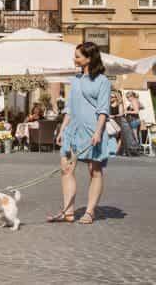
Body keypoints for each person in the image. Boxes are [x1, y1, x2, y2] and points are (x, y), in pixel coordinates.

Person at [49, 42, 117, 225]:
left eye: (78, 56)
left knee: (94, 171)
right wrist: (62, 130)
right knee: (66, 169)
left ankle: (89, 211)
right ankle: (68, 211)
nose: (74, 59)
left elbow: (103, 110)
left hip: (92, 130)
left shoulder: (103, 81)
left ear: (89, 58)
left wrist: (98, 132)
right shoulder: (76, 80)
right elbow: (70, 109)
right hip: (73, 130)